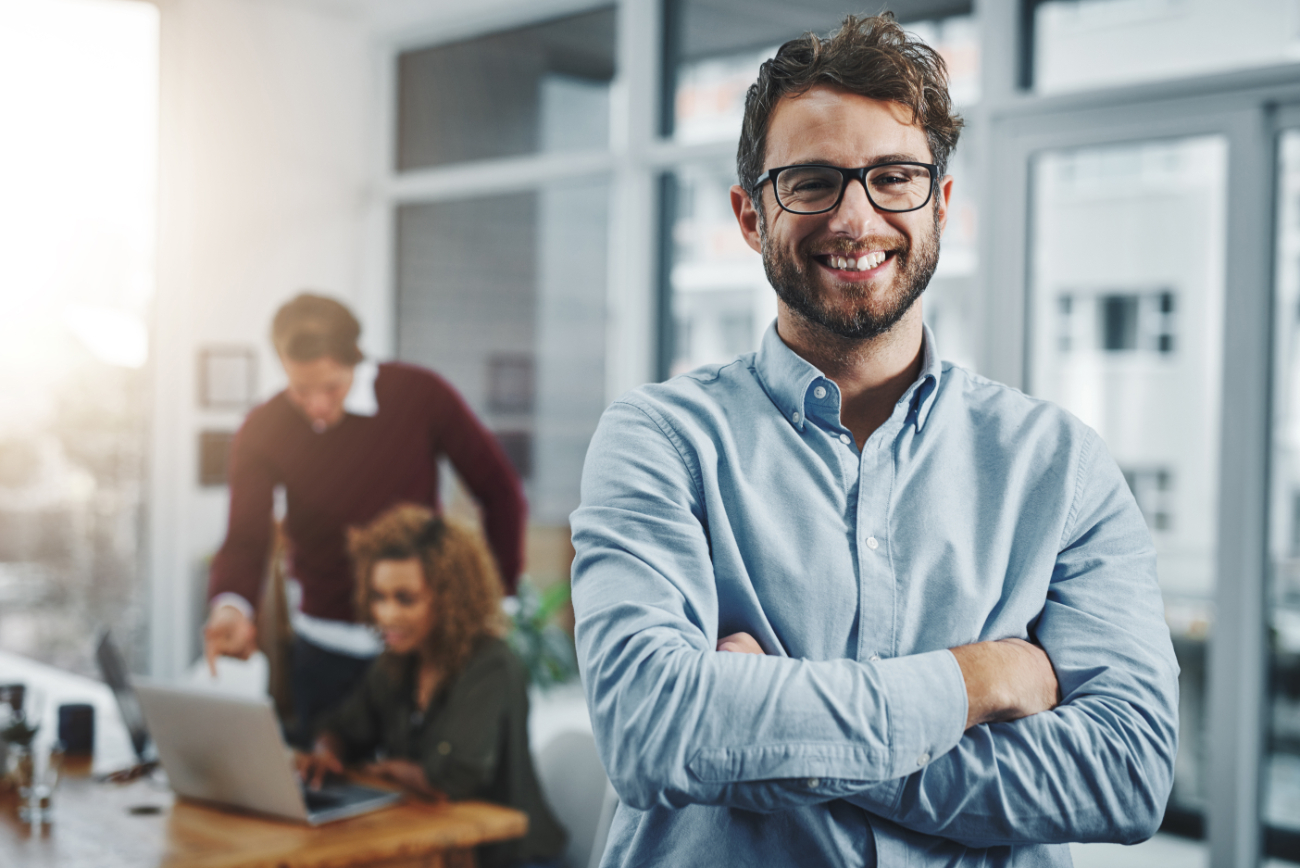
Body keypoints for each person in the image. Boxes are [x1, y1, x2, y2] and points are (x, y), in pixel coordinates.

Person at [570, 13, 1179, 868]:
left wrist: (759, 736)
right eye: (813, 181)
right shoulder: (661, 441)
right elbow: (651, 731)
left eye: (894, 177)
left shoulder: (1060, 466)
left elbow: (1126, 773)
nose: (856, 218)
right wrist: (975, 683)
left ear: (940, 204)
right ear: (750, 216)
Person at [203, 293, 526, 745]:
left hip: (420, 648)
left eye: (331, 388)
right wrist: (232, 607)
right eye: (300, 390)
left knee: (429, 799)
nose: (316, 405)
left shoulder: (419, 394)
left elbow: (500, 492)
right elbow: (245, 537)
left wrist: (497, 602)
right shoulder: (263, 428)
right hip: (323, 654)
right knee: (327, 795)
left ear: (355, 358)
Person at [296, 504, 566, 868]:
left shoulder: (493, 663)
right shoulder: (400, 660)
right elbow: (344, 727)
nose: (386, 614)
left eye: (404, 598)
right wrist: (326, 749)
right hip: (437, 845)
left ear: (449, 596)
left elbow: (452, 779)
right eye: (378, 596)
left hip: (507, 855)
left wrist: (388, 769)